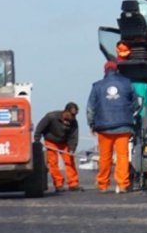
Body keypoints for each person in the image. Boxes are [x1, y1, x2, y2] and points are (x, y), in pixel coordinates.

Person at [87, 60, 138, 193]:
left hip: (103, 127)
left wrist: (92, 124)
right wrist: (129, 113)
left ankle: (102, 184)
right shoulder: (127, 83)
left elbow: (90, 108)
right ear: (117, 70)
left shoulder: (97, 86)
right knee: (122, 156)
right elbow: (136, 103)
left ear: (105, 71)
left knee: (105, 157)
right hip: (124, 126)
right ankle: (122, 184)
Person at [34, 101, 82, 193]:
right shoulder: (51, 117)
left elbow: (73, 137)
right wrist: (37, 141)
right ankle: (58, 184)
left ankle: (73, 184)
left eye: (74, 116)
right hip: (51, 141)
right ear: (66, 112)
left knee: (69, 161)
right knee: (53, 163)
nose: (72, 118)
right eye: (71, 115)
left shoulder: (73, 122)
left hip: (64, 143)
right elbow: (39, 128)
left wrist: (72, 149)